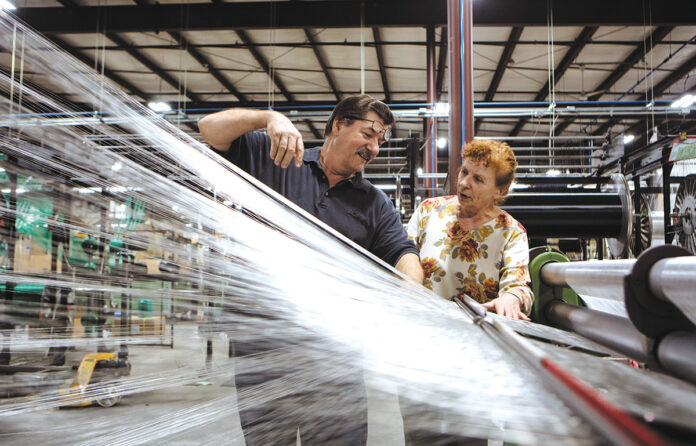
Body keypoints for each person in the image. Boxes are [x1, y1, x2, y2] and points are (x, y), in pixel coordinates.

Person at [198, 95, 423, 445]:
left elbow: (403, 252)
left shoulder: (373, 202)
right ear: (338, 124)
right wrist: (267, 118)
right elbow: (210, 130)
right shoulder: (277, 158)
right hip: (265, 355)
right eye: (369, 133)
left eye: (381, 141)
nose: (374, 147)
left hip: (336, 360)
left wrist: (409, 297)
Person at [401, 139, 533, 445]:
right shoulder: (429, 211)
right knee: (419, 434)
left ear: (500, 190)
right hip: (421, 348)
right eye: (464, 172)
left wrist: (512, 297)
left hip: (475, 358)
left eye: (478, 179)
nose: (464, 183)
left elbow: (519, 283)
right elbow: (402, 255)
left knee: (470, 435)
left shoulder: (510, 231)